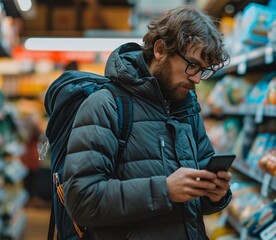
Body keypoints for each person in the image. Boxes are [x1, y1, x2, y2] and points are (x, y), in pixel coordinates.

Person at [62, 5, 232, 240]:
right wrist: (165, 190)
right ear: (161, 49)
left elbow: (196, 202)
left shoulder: (187, 107)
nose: (196, 79)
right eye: (192, 65)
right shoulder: (106, 105)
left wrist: (215, 194)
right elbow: (82, 200)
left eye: (203, 71)